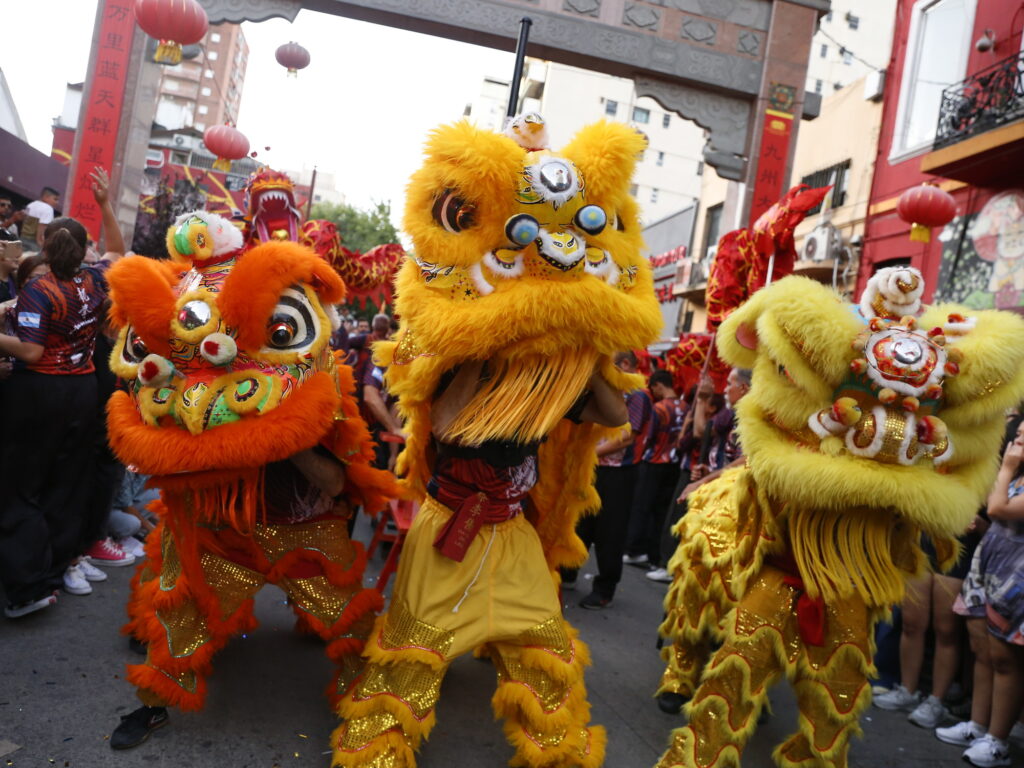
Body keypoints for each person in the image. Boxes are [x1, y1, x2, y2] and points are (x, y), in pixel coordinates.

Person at [0, 170, 123, 617]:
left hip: (42, 394)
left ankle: (27, 587)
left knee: (20, 488)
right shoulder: (93, 281)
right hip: (82, 391)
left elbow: (31, 351)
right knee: (65, 486)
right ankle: (52, 576)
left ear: (47, 247)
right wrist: (105, 204)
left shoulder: (40, 289)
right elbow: (117, 251)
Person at [935, 422, 1024, 767]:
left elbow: (998, 509)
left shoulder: (1011, 471)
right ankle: (977, 724)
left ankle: (998, 741)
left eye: (1022, 437)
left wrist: (1006, 466)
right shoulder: (1014, 475)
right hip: (988, 567)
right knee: (982, 651)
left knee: (1005, 660)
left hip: (1014, 579)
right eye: (1017, 435)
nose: (1016, 439)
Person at [569, 349, 652, 609]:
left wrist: (592, 454)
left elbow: (627, 437)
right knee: (580, 522)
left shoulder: (638, 395)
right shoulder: (604, 388)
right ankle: (568, 569)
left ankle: (604, 588)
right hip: (592, 469)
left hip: (618, 475)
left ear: (625, 363)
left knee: (609, 532)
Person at [623, 368, 683, 574]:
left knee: (642, 506)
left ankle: (634, 549)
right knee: (662, 512)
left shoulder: (659, 409)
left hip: (654, 461)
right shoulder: (686, 407)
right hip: (674, 464)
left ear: (658, 385)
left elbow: (648, 438)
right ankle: (653, 554)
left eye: (653, 387)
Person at [19, 186, 60, 251]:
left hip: (22, 238)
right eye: (55, 199)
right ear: (46, 197)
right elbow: (42, 227)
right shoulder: (48, 209)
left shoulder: (30, 205)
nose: (57, 202)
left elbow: (24, 221)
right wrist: (40, 243)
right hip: (34, 243)